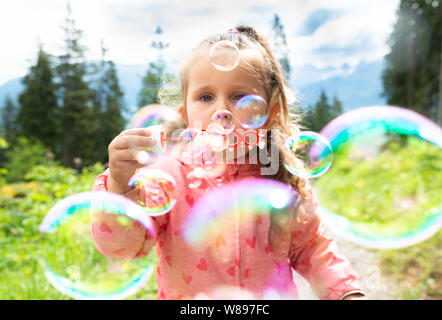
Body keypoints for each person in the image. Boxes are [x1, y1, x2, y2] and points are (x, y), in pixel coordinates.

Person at [90, 25, 366, 300]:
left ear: (270, 114)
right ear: (185, 114)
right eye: (206, 97)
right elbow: (121, 248)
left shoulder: (281, 178)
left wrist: (346, 293)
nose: (222, 111)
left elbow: (313, 250)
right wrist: (118, 186)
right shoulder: (166, 177)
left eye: (239, 97)